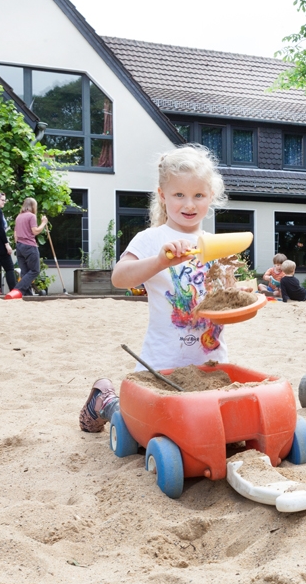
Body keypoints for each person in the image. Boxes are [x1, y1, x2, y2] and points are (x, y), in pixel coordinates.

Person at [79, 145, 230, 432]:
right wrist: (160, 261)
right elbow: (120, 277)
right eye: (179, 195)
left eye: (198, 195)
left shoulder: (214, 244)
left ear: (211, 196)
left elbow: (226, 296)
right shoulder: (152, 238)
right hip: (162, 362)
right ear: (162, 195)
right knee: (142, 430)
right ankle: (104, 400)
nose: (189, 204)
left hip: (211, 361)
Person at [7, 197, 48, 300]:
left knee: (25, 272)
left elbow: (15, 234)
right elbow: (35, 231)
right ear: (33, 206)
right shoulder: (31, 216)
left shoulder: (18, 217)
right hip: (29, 246)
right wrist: (43, 223)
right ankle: (17, 290)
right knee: (35, 270)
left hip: (19, 246)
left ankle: (28, 295)